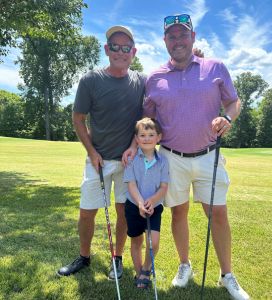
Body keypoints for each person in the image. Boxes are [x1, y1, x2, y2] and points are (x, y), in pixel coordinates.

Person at [143, 14, 250, 300]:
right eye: (172, 36)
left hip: (208, 155)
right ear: (164, 40)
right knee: (178, 211)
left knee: (218, 213)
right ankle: (184, 265)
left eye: (182, 35)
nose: (177, 40)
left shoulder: (215, 67)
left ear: (193, 36)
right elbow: (147, 118)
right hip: (171, 157)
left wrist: (227, 117)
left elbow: (233, 101)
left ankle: (227, 274)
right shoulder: (154, 77)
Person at [57, 25, 146, 280]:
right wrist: (92, 151)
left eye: (126, 47)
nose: (120, 52)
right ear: (107, 49)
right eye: (115, 47)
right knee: (87, 211)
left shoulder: (141, 81)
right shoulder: (91, 80)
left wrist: (132, 146)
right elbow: (78, 119)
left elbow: (146, 115)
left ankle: (117, 259)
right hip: (97, 160)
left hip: (129, 162)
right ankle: (84, 257)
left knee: (123, 213)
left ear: (133, 52)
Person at [123, 117, 169, 288]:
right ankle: (139, 273)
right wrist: (141, 203)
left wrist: (152, 201)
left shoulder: (163, 161)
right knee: (136, 241)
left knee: (153, 242)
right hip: (134, 206)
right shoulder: (131, 159)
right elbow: (132, 184)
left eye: (151, 135)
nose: (147, 138)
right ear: (136, 139)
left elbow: (164, 187)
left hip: (154, 207)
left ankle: (146, 268)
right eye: (142, 135)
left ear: (159, 137)